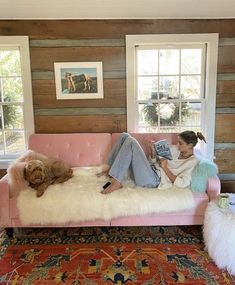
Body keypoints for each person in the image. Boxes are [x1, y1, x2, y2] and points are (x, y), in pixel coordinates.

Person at [98, 131, 206, 194]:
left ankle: (117, 182)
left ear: (190, 145)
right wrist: (153, 152)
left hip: (154, 180)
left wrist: (165, 167)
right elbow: (154, 162)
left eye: (181, 143)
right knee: (124, 136)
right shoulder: (174, 149)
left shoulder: (193, 162)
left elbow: (182, 184)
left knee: (131, 142)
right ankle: (111, 170)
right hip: (150, 169)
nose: (177, 145)